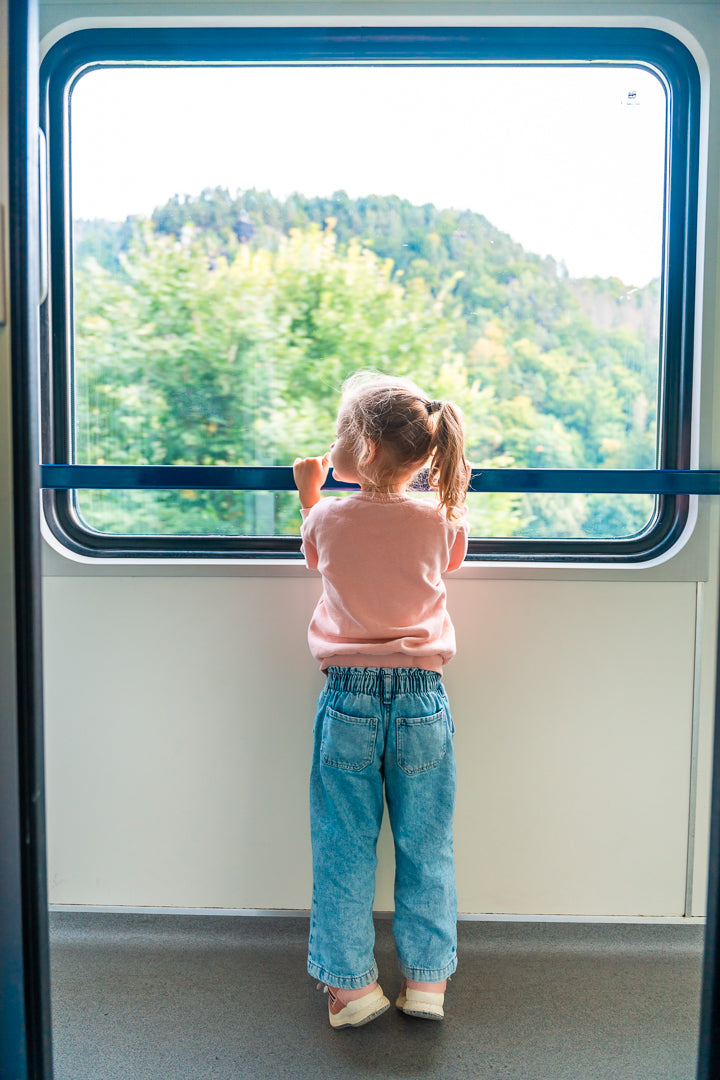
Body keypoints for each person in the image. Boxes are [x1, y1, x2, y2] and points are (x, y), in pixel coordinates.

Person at [293, 371, 471, 1029]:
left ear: (363, 448)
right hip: (423, 698)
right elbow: (450, 560)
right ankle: (427, 983)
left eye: (339, 434)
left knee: (344, 844)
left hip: (349, 700)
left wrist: (309, 493)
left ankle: (352, 989)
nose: (332, 444)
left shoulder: (328, 515)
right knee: (427, 845)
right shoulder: (441, 518)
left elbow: (316, 554)